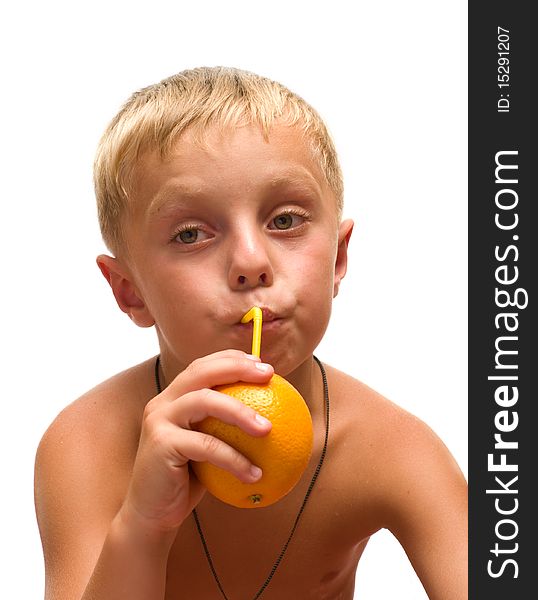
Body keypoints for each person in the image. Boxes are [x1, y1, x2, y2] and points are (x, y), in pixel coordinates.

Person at [34, 66, 467, 599]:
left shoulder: (392, 448)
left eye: (285, 221)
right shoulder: (89, 443)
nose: (251, 261)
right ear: (130, 291)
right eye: (191, 233)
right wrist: (144, 527)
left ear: (337, 257)